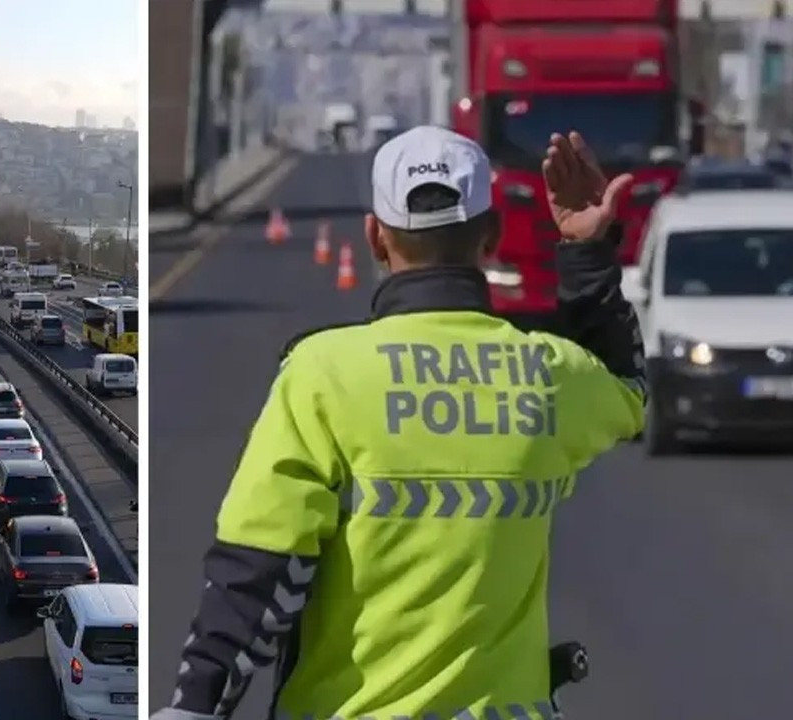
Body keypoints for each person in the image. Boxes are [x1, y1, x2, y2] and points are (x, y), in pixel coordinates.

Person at [152, 128, 645, 720]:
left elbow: (256, 574)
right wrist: (585, 252)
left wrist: (196, 706)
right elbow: (629, 389)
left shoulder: (323, 374)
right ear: (492, 237)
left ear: (375, 238)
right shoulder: (547, 372)